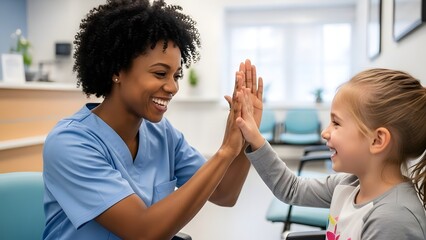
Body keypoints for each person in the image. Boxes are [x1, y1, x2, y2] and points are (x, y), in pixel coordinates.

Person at [42, 0, 264, 239]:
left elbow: (225, 193)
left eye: (176, 75)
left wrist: (244, 137)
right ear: (117, 71)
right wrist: (225, 151)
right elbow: (143, 232)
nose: (173, 87)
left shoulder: (163, 134)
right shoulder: (69, 143)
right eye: (160, 73)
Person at [235, 68, 426, 239]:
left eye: (336, 123)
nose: (324, 132)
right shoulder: (348, 184)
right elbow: (291, 189)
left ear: (377, 141)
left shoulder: (394, 219)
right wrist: (254, 136)